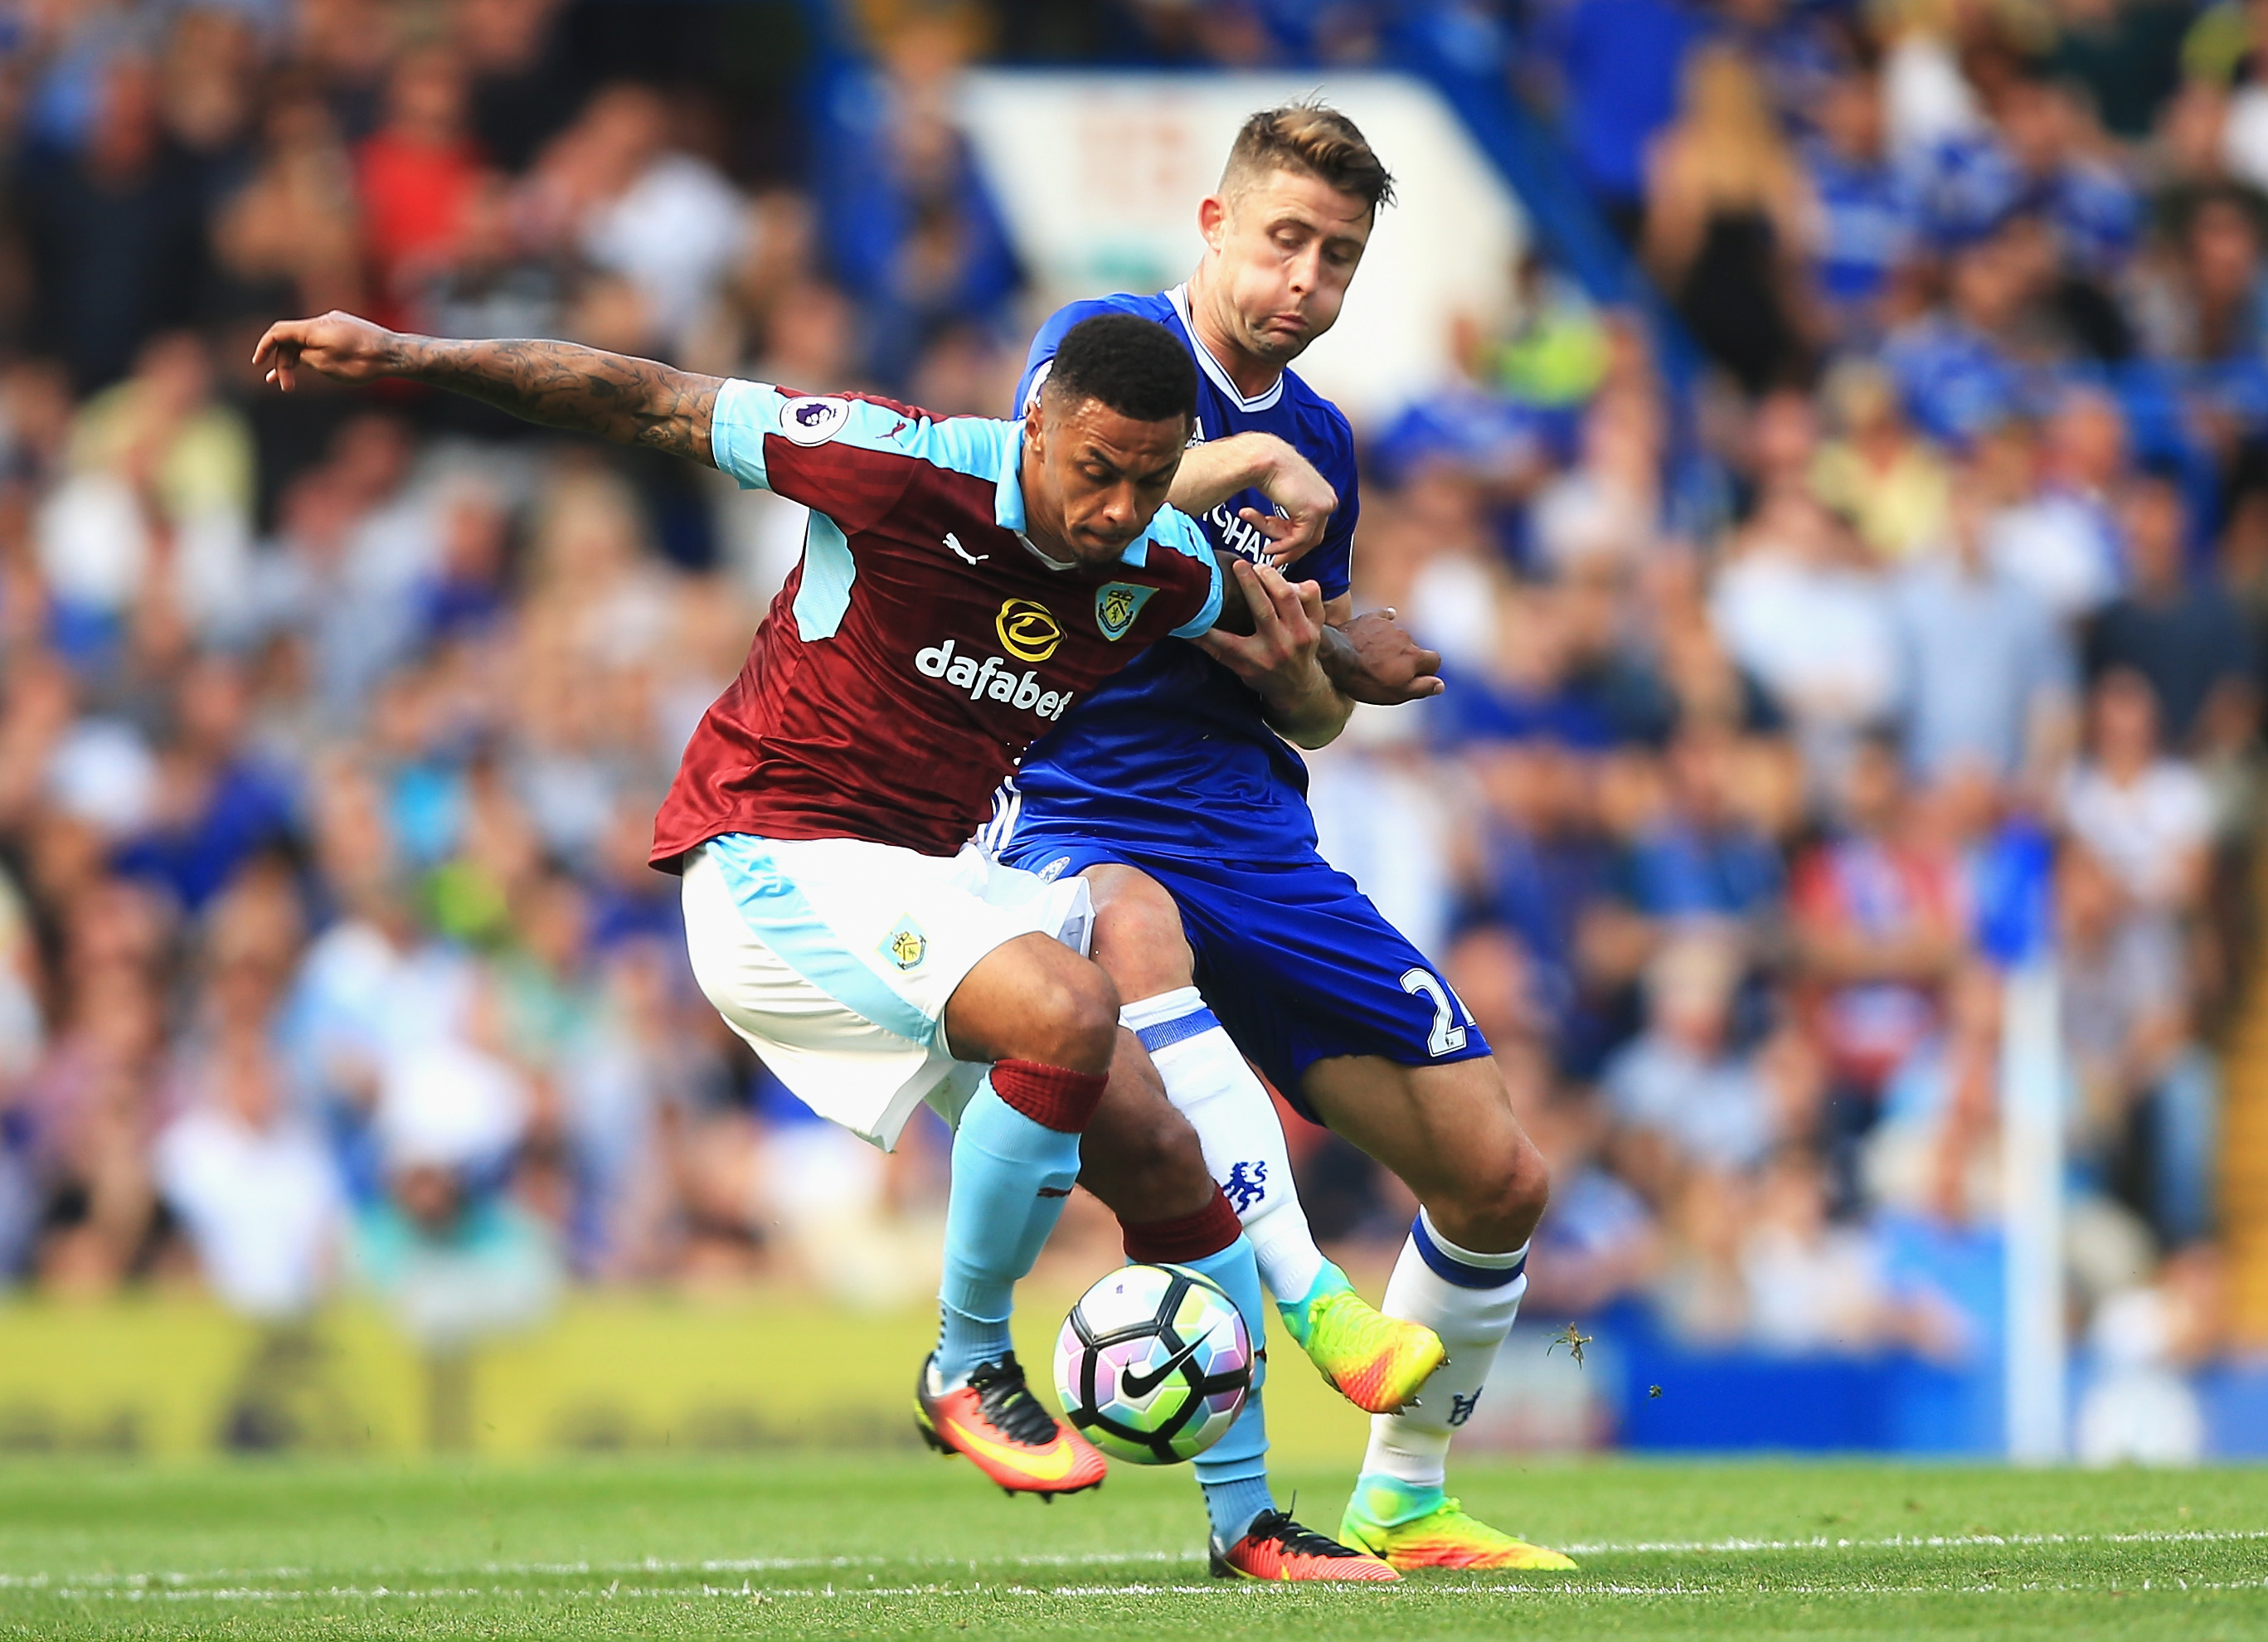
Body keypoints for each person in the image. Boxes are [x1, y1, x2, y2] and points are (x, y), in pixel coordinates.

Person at [250, 305, 1326, 1518]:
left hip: (930, 884)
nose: (1121, 507)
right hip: (773, 855)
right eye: (1096, 471)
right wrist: (408, 356)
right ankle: (967, 1364)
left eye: (1148, 477)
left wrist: (1353, 654)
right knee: (1075, 1006)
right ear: (1035, 425)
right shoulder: (892, 462)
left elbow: (1281, 631)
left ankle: (1252, 1525)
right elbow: (642, 396)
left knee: (1165, 1151)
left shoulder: (1160, 567)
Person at [983, 104, 1574, 1573]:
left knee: (1497, 1175)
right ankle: (1309, 1301)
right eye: (1285, 240)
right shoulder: (1114, 345)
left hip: (1248, 820)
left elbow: (1312, 720)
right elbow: (1051, 509)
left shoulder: (1322, 439)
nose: (1306, 279)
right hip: (1068, 797)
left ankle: (1407, 1497)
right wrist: (1240, 472)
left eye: (1341, 256)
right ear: (1213, 227)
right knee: (1138, 937)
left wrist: (1312, 667)